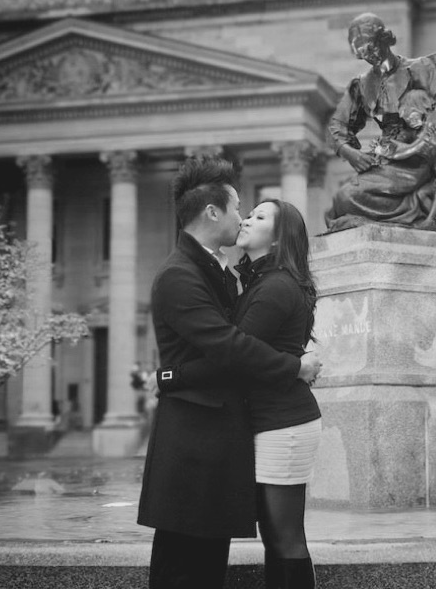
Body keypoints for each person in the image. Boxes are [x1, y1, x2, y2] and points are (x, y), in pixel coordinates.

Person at [137, 154, 321, 589]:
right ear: (212, 211)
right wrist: (295, 366)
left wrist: (168, 376)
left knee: (211, 560)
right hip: (194, 440)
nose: (242, 218)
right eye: (241, 208)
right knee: (185, 564)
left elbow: (234, 345)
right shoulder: (181, 274)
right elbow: (230, 348)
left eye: (255, 215)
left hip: (223, 436)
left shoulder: (227, 271)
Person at [325, 12, 436, 232]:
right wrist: (349, 153)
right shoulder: (362, 84)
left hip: (419, 158)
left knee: (347, 197)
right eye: (362, 53)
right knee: (341, 200)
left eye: (371, 47)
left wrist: (426, 135)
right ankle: (413, 208)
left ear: (384, 39)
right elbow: (337, 126)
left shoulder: (420, 68)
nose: (369, 56)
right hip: (387, 157)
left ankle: (419, 207)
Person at [374, 89, 436, 230]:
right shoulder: (424, 133)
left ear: (421, 109)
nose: (409, 121)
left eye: (411, 116)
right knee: (421, 195)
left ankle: (429, 220)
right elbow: (410, 149)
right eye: (407, 119)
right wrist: (387, 151)